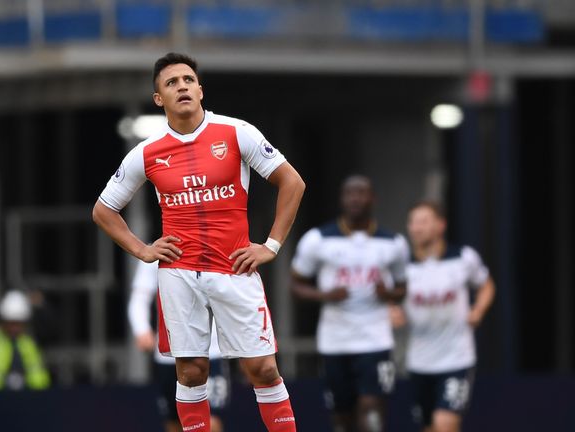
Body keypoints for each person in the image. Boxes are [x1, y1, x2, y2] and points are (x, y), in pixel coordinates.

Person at [93, 52, 305, 432]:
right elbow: (104, 210)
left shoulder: (237, 132)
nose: (182, 87)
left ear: (201, 90)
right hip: (179, 273)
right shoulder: (147, 152)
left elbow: (292, 182)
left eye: (188, 80)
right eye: (171, 83)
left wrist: (270, 246)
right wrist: (142, 249)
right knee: (191, 371)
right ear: (159, 99)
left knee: (263, 367)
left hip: (235, 265)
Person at [291, 175, 408, 432]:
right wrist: (324, 295)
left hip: (375, 338)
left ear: (373, 198)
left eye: (361, 193)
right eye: (349, 193)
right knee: (341, 415)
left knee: (372, 408)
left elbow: (402, 289)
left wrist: (388, 293)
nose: (355, 198)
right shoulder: (318, 239)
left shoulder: (393, 243)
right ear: (342, 199)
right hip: (335, 340)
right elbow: (296, 285)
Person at [397, 202, 495, 432]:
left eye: (423, 222)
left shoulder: (463, 258)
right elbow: (390, 297)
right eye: (413, 222)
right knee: (429, 426)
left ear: (440, 225)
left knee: (445, 423)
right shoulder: (403, 267)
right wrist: (393, 312)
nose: (416, 228)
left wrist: (478, 310)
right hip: (420, 361)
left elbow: (486, 285)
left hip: (455, 359)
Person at [128, 259, 229, 432]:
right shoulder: (157, 251)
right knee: (174, 421)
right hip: (170, 353)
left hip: (210, 351)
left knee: (211, 419)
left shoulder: (213, 243)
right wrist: (142, 329)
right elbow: (140, 296)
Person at [0, 290, 51, 391]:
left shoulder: (32, 338)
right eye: (11, 323)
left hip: (32, 396)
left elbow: (51, 329)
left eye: (18, 323)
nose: (14, 328)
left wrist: (41, 307)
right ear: (2, 321)